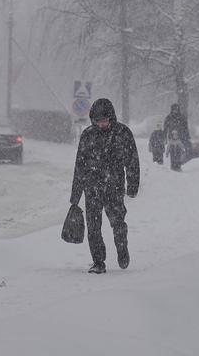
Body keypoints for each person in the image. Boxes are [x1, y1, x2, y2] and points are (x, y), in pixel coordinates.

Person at [70, 98, 140, 274]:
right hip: (92, 189)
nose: (101, 124)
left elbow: (132, 161)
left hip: (114, 187)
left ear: (111, 118)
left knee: (118, 222)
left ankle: (122, 249)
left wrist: (132, 185)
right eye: (98, 121)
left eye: (104, 121)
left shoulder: (123, 133)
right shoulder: (87, 135)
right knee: (93, 227)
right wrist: (76, 194)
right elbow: (80, 165)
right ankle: (98, 262)